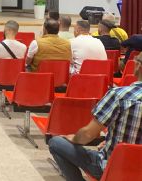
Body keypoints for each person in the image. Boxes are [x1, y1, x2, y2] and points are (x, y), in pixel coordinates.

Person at [48, 52, 142, 181]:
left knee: (56, 143)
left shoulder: (119, 95)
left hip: (113, 168)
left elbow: (88, 134)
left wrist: (74, 138)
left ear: (138, 66)